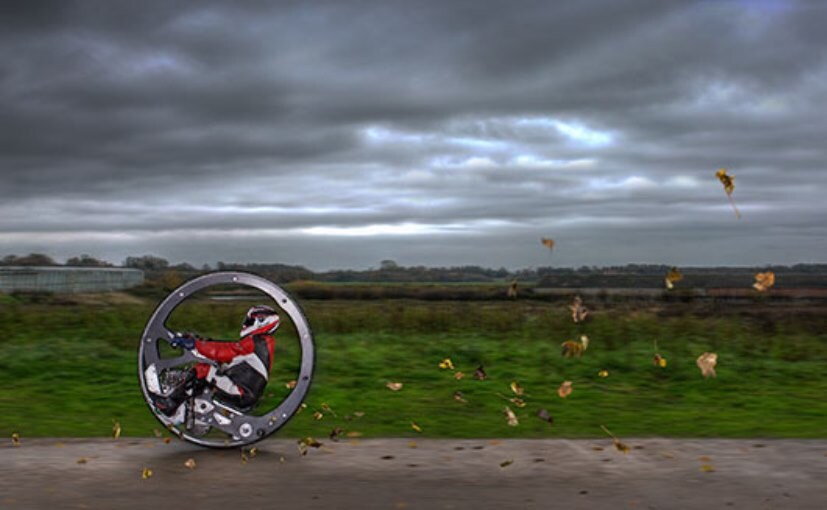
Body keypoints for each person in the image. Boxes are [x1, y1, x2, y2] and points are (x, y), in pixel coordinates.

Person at [154, 305, 279, 416]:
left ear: (262, 321)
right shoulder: (262, 342)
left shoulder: (255, 342)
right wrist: (202, 342)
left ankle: (171, 403)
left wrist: (195, 344)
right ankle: (189, 408)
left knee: (203, 370)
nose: (245, 325)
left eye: (249, 321)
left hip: (241, 393)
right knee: (212, 369)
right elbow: (227, 352)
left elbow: (222, 351)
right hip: (246, 392)